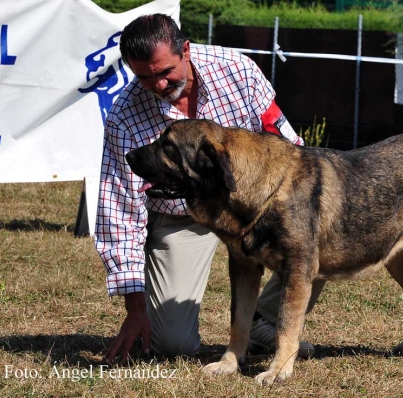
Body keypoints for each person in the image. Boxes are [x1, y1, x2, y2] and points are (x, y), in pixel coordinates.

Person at [94, 13, 326, 364]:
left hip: (250, 210)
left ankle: (265, 321)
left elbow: (288, 149)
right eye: (143, 77)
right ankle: (172, 323)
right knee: (172, 344)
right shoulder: (124, 117)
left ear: (185, 50)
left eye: (164, 72)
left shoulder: (239, 72)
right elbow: (119, 214)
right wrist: (136, 309)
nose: (157, 85)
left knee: (317, 239)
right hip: (179, 217)